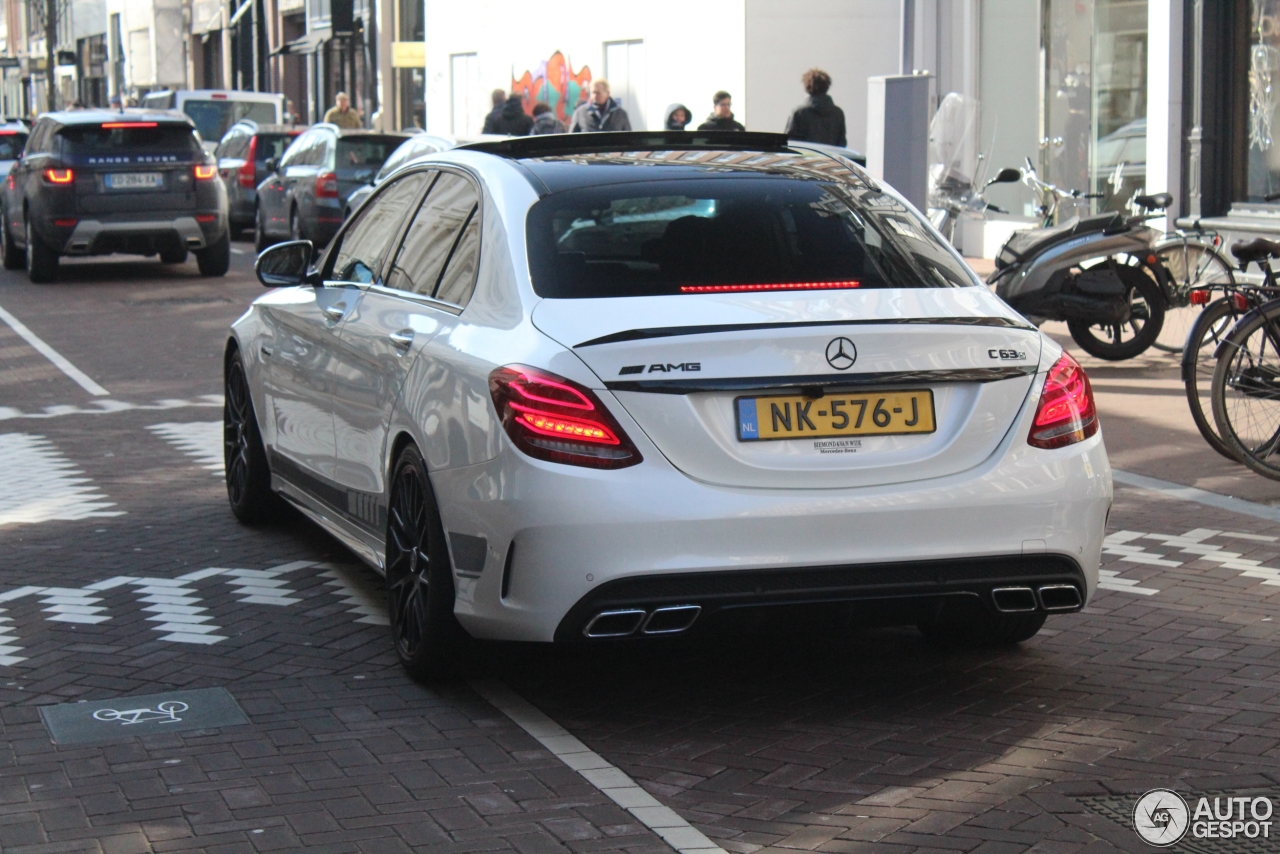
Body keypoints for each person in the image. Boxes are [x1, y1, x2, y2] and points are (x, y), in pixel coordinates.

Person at [785, 69, 846, 146]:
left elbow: (789, 143)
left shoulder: (799, 113)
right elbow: (842, 144)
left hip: (806, 157)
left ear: (806, 87)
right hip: (830, 157)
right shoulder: (838, 113)